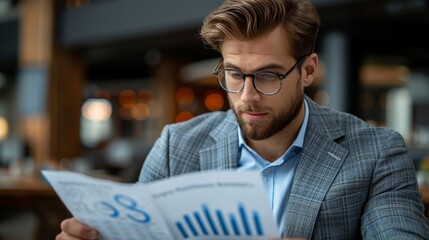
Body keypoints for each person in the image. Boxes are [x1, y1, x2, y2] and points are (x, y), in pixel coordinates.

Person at [56, 0, 429, 239]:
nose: (247, 95)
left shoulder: (377, 152)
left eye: (268, 75)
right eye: (235, 74)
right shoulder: (177, 145)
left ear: (308, 70)